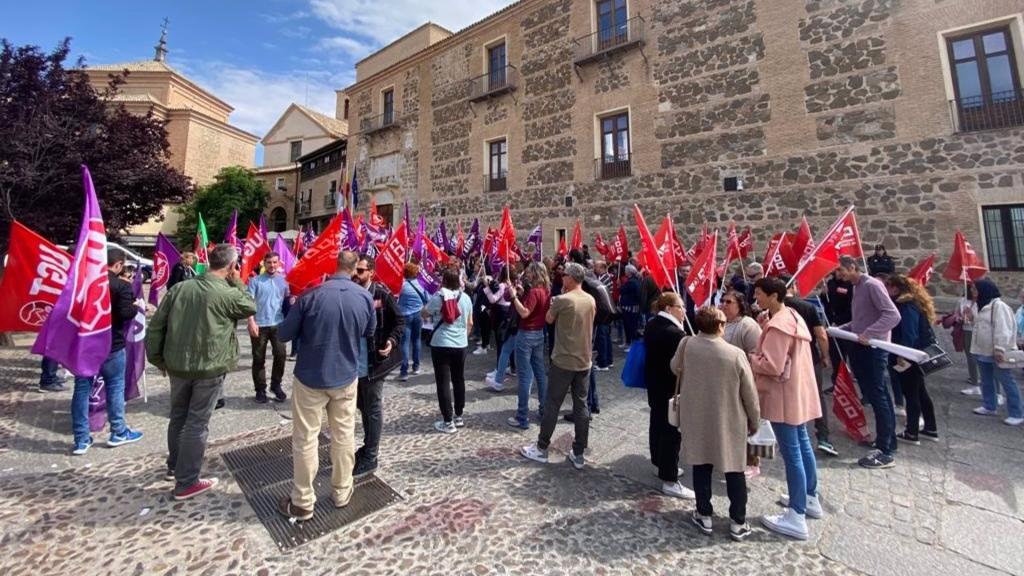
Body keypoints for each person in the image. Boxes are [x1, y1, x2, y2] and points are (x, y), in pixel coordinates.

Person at [146, 244, 256, 500]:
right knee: (196, 423)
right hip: (209, 366)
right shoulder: (228, 292)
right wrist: (238, 282)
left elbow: (156, 327)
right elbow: (250, 306)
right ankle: (186, 482)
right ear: (231, 267)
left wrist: (158, 359)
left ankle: (175, 466)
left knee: (179, 417)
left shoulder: (179, 288)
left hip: (177, 364)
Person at [275, 250, 374, 520]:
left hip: (311, 376)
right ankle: (342, 491)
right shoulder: (364, 297)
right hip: (345, 375)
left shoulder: (311, 296)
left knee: (305, 439)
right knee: (344, 435)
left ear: (335, 265)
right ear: (355, 270)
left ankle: (303, 501)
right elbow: (369, 331)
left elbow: (284, 333)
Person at [673, 307, 760, 541]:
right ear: (720, 326)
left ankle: (704, 513)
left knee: (701, 465)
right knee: (734, 468)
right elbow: (749, 393)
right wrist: (755, 418)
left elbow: (675, 368)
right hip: (729, 417)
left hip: (697, 414)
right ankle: (738, 521)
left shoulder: (687, 344)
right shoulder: (735, 354)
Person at [749, 277, 822, 541]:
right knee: (802, 445)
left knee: (792, 453)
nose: (755, 297)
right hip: (797, 391)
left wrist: (750, 357)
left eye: (759, 293)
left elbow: (772, 365)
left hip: (782, 396)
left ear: (773, 296)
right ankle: (809, 497)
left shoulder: (778, 326)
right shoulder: (790, 315)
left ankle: (796, 515)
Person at [521, 262, 596, 469]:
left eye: (565, 276)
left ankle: (542, 447)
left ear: (570, 278)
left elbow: (548, 319)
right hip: (584, 359)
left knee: (553, 403)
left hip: (563, 359)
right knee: (581, 406)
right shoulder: (590, 299)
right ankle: (579, 452)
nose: (562, 278)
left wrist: (557, 301)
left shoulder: (563, 299)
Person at [70, 248, 145, 455]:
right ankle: (118, 431)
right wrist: (135, 305)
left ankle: (81, 439)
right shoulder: (121, 285)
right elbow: (125, 313)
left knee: (81, 390)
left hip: (85, 345)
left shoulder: (83, 283)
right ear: (118, 265)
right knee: (114, 387)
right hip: (113, 344)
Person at [835, 255, 901, 469]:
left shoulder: (872, 285)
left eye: (841, 271)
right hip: (862, 347)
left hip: (874, 349)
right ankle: (887, 439)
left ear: (852, 266)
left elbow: (892, 315)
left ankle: (886, 449)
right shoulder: (857, 287)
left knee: (878, 396)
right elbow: (863, 318)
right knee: (875, 395)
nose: (839, 275)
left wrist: (869, 333)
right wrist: (843, 329)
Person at [353, 254, 405, 477]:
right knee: (363, 407)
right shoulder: (352, 293)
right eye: (355, 270)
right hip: (355, 363)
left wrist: (391, 342)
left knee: (373, 408)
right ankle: (367, 446)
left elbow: (400, 322)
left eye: (361, 271)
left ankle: (371, 456)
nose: (356, 274)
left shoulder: (382, 294)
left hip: (375, 363)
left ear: (371, 272)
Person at [779, 276, 837, 457]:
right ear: (794, 286)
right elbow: (821, 334)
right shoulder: (807, 307)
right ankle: (823, 437)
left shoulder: (775, 309)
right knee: (817, 396)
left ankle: (791, 431)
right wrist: (825, 356)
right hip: (809, 358)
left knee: (786, 394)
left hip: (785, 359)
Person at [644, 292, 695, 499]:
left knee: (657, 423)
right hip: (670, 388)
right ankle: (669, 477)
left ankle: (659, 463)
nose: (684, 311)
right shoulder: (674, 334)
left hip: (655, 385)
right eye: (680, 307)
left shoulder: (653, 324)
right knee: (671, 432)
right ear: (669, 309)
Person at [884, 274, 940, 443]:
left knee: (911, 393)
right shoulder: (913, 303)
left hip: (910, 355)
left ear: (895, 288)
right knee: (920, 391)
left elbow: (910, 333)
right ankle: (930, 428)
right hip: (916, 354)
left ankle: (912, 432)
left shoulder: (907, 306)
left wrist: (903, 354)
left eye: (888, 287)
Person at [720, 289, 765, 478]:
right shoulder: (722, 323)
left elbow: (756, 353)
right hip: (725, 382)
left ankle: (753, 462)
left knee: (749, 422)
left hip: (743, 381)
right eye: (723, 301)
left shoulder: (748, 325)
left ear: (740, 305)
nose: (724, 304)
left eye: (729, 301)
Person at [970, 278, 1023, 425]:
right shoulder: (981, 305)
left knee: (1006, 381)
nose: (973, 292)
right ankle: (989, 405)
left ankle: (1017, 412)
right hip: (983, 350)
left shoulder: (999, 307)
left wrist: (1000, 348)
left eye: (975, 289)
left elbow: (1003, 328)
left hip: (996, 351)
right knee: (986, 380)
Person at [426, 268, 474, 434]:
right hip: (460, 344)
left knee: (443, 382)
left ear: (444, 281)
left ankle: (448, 421)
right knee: (459, 379)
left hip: (441, 343)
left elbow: (423, 313)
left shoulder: (439, 297)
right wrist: (463, 338)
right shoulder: (466, 298)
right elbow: (470, 323)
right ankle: (459, 415)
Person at [509, 262, 551, 429]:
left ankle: (522, 416)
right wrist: (520, 295)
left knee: (525, 376)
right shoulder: (545, 290)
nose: (526, 275)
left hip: (527, 334)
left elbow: (525, 313)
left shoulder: (535, 291)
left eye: (529, 273)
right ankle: (543, 409)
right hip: (539, 333)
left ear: (534, 274)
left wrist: (513, 297)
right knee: (540, 374)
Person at [247, 252, 290, 404]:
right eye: (269, 262)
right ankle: (260, 389)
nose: (272, 265)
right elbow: (249, 303)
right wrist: (251, 321)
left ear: (279, 264)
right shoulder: (255, 281)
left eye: (275, 262)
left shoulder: (284, 281)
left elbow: (287, 301)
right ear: (264, 264)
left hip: (278, 324)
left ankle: (276, 385)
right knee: (259, 358)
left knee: (281, 355)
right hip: (260, 325)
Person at [487, 268, 520, 392]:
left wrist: (487, 288)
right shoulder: (514, 285)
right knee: (508, 344)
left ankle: (498, 370)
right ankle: (512, 367)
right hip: (509, 314)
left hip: (502, 314)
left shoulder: (502, 285)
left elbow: (493, 299)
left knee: (501, 343)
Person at [822, 270, 854, 389]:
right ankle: (837, 381)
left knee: (848, 354)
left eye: (842, 271)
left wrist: (839, 321)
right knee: (835, 355)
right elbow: (827, 304)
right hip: (832, 325)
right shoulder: (830, 283)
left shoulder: (850, 285)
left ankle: (850, 381)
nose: (840, 273)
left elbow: (851, 308)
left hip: (846, 325)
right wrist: (823, 295)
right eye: (838, 271)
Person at [398, 262, 428, 381]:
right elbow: (427, 299)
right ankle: (416, 367)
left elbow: (396, 299)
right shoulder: (422, 284)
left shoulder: (402, 285)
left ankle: (404, 371)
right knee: (416, 340)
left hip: (405, 315)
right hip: (418, 315)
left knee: (405, 343)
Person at [954, 283, 981, 395]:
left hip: (978, 331)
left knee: (980, 357)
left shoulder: (983, 303)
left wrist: (972, 317)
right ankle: (974, 380)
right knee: (970, 356)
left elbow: (982, 321)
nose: (973, 290)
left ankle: (982, 380)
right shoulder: (963, 301)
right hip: (966, 330)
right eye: (971, 288)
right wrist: (959, 318)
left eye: (975, 288)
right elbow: (955, 313)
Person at [619, 265, 641, 349]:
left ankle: (632, 344)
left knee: (631, 326)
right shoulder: (633, 281)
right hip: (629, 307)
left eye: (625, 271)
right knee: (627, 325)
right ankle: (628, 342)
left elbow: (622, 290)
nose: (624, 272)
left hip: (630, 307)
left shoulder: (632, 282)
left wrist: (620, 285)